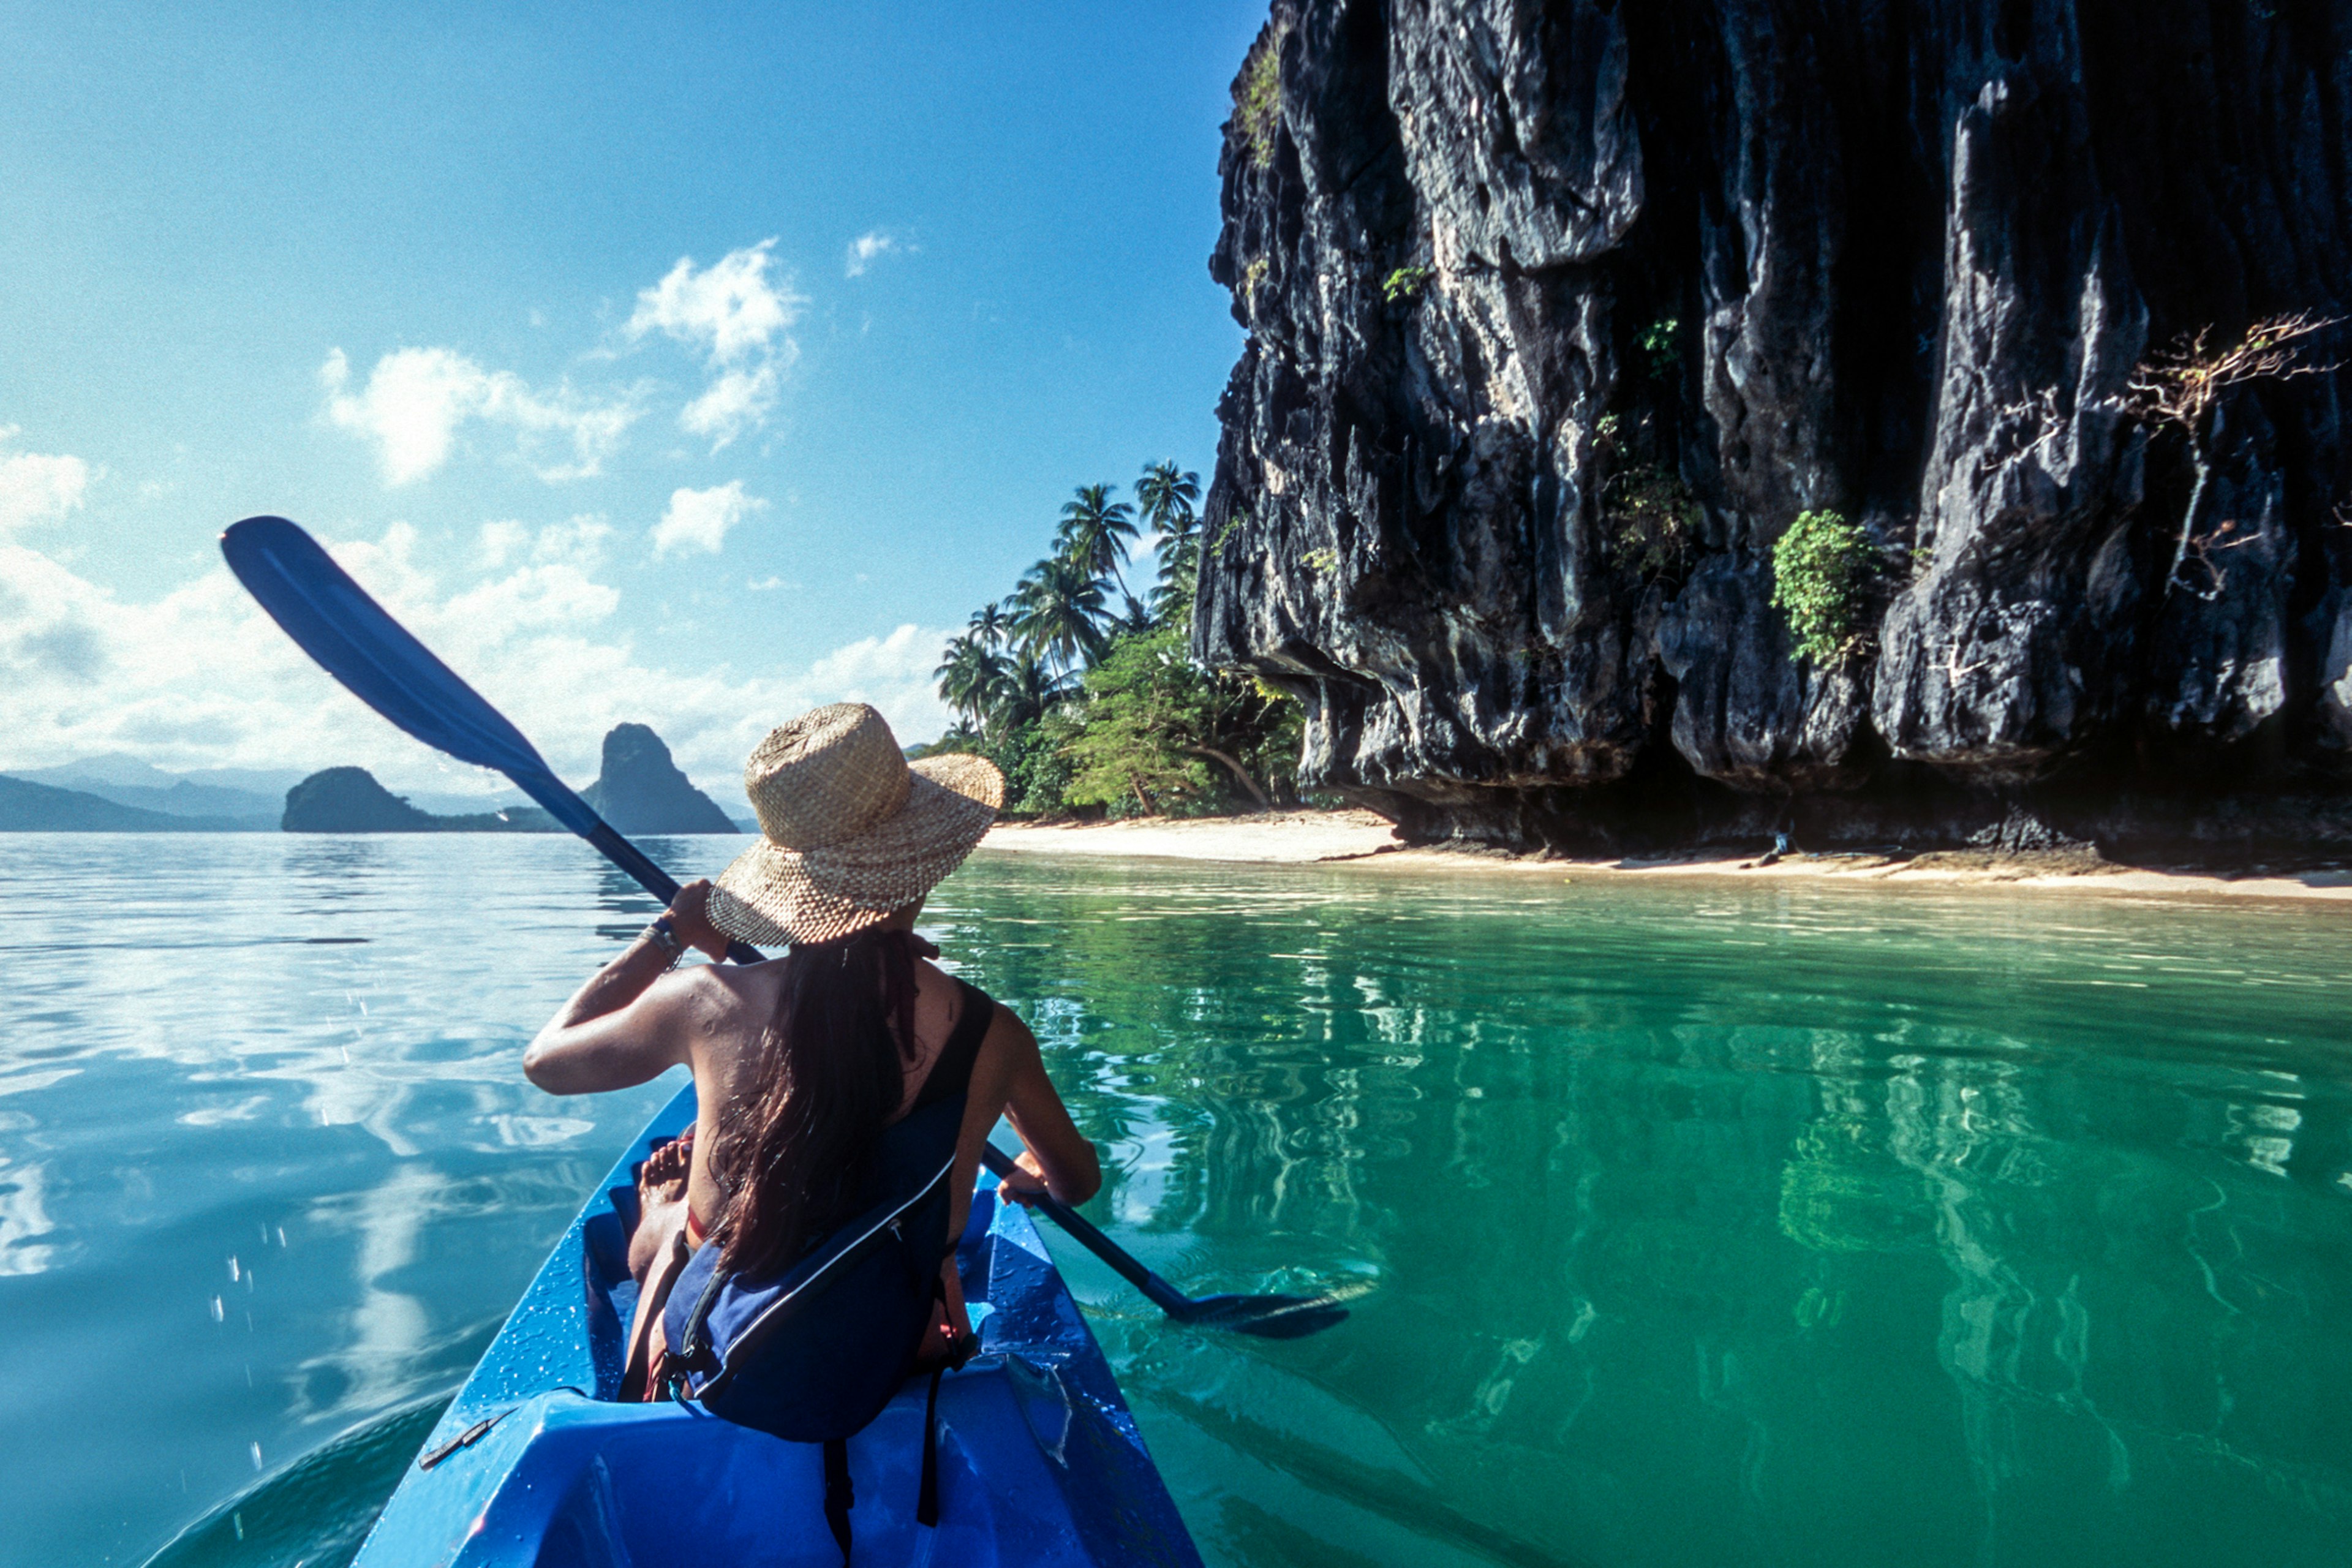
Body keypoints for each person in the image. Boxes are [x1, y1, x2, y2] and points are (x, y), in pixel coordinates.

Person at [520, 701, 1101, 1399]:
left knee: (682, 1227)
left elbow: (546, 1063)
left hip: (721, 1354)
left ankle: (667, 1218)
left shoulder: (704, 1001)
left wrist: (668, 937)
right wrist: (1036, 1170)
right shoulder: (992, 1032)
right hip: (904, 1357)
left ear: (787, 883)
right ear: (922, 863)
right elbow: (1077, 1183)